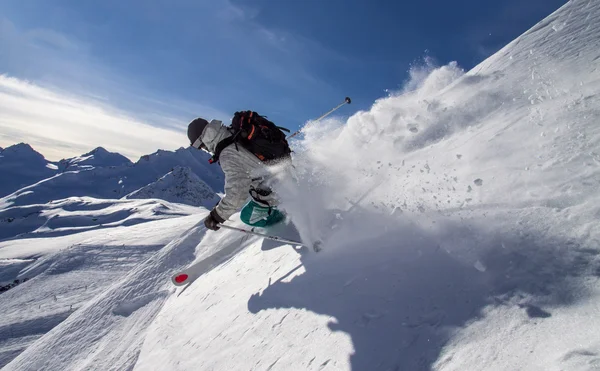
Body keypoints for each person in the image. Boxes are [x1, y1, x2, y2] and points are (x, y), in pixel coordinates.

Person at [187, 117, 287, 231]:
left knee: (247, 216)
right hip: (282, 174)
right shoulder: (232, 133)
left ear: (203, 138)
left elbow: (237, 192)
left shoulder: (227, 154)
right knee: (249, 201)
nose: (203, 149)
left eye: (200, 145)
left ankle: (285, 223)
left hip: (275, 188)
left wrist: (217, 216)